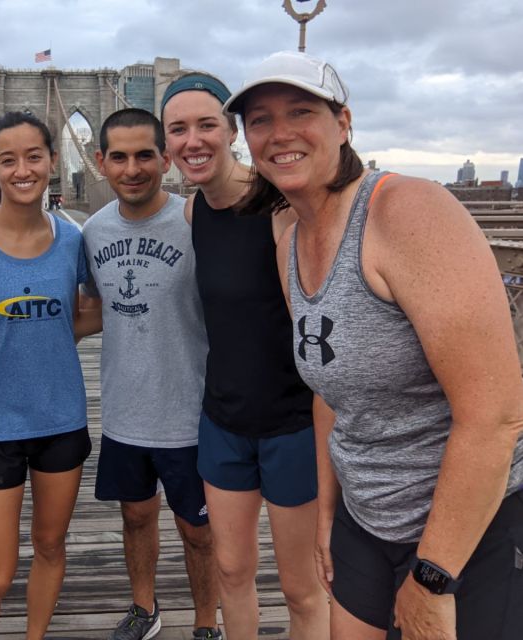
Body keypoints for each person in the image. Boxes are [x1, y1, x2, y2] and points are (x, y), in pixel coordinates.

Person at [224, 50, 523, 639]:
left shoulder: (407, 212)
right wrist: (327, 515)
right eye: (259, 120)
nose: (279, 133)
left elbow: (496, 415)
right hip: (365, 520)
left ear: (344, 123)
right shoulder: (289, 237)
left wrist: (433, 576)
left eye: (301, 111)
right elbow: (331, 389)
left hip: (470, 531)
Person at [161, 72, 330, 639]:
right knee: (232, 570)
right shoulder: (193, 215)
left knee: (301, 585)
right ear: (166, 145)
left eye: (207, 124)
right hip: (223, 421)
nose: (193, 140)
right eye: (178, 129)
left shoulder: (281, 208)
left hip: (292, 425)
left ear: (231, 130)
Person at [79, 108, 220, 640]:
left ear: (166, 158)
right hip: (124, 410)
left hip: (191, 410)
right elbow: (91, 309)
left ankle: (207, 624)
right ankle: (145, 609)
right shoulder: (91, 231)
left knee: (198, 531)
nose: (132, 168)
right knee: (135, 519)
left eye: (144, 155)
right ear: (101, 162)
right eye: (119, 156)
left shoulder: (197, 220)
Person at [0, 111, 93, 640]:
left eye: (34, 156)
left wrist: (48, 332)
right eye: (7, 159)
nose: (22, 170)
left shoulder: (72, 241)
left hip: (62, 419)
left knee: (51, 548)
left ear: (53, 163)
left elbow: (91, 310)